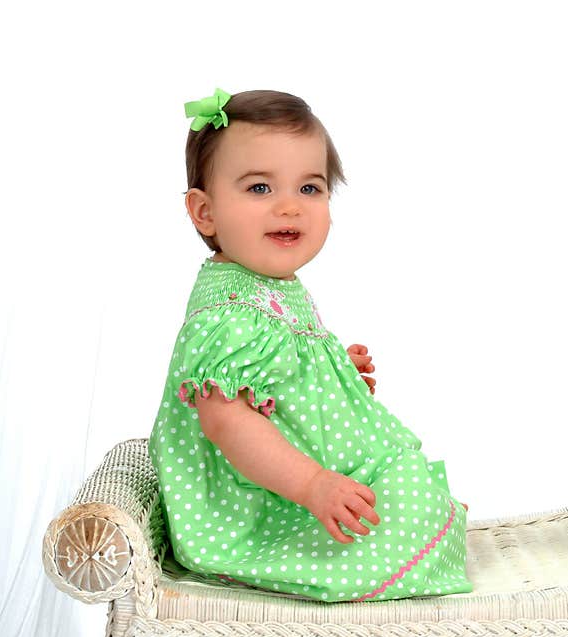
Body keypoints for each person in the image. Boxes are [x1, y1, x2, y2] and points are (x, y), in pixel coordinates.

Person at [147, 87, 472, 602]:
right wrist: (313, 487)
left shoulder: (267, 287)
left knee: (408, 485)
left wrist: (330, 375)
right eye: (258, 188)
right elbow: (228, 421)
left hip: (301, 483)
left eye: (310, 188)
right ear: (204, 213)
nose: (288, 208)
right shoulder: (227, 315)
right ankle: (336, 553)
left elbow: (271, 392)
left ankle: (408, 526)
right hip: (257, 509)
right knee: (407, 507)